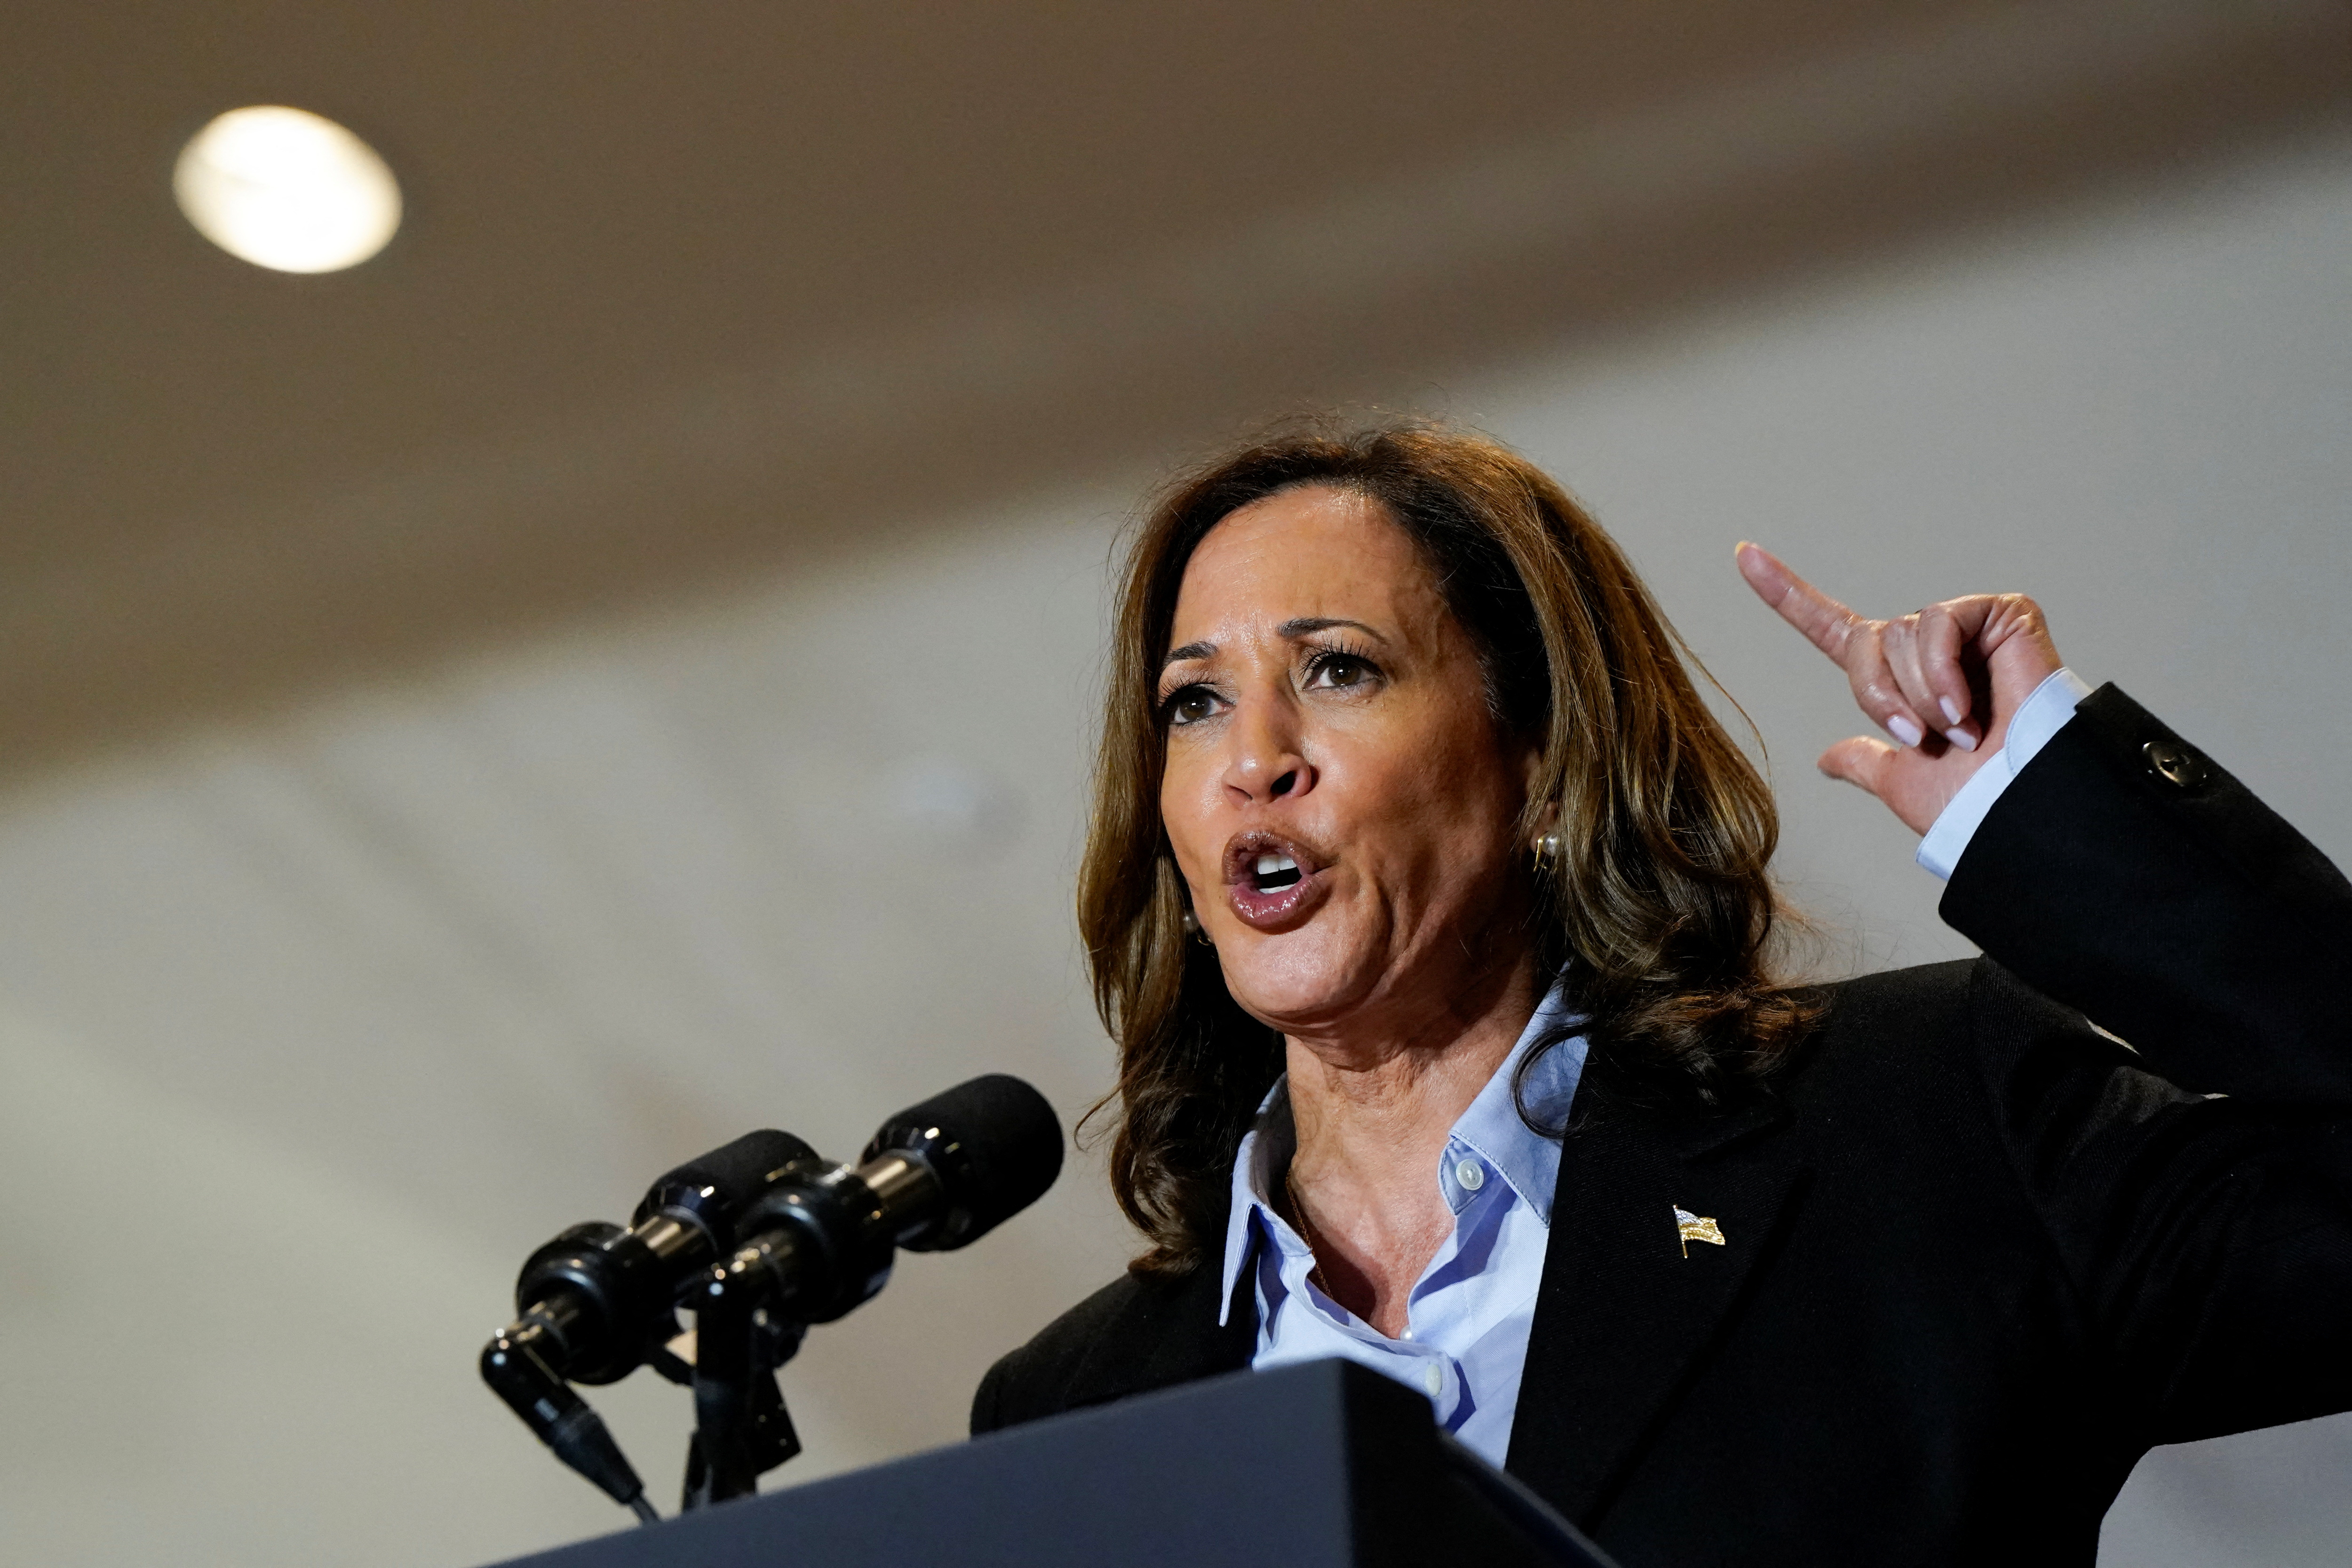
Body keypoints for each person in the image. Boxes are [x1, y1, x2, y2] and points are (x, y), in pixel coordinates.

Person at [969, 422, 2352, 1566]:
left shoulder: (1918, 1126)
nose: (1251, 761)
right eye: (1193, 703)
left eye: (1339, 670)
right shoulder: (1073, 1410)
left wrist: (2045, 808)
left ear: (1547, 768)